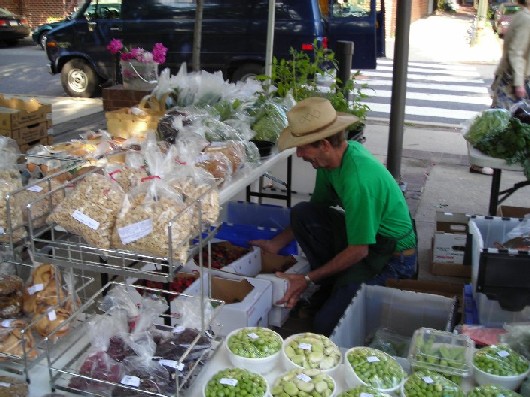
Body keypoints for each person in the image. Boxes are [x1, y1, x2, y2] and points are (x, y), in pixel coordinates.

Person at [250, 97, 417, 336]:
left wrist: (305, 278)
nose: (299, 154)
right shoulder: (330, 163)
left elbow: (360, 250)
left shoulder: (358, 180)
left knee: (324, 327)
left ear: (325, 145)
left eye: (304, 146)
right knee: (303, 214)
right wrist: (275, 243)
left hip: (392, 257)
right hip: (368, 241)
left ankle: (332, 286)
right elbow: (316, 210)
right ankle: (332, 285)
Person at [470, 0, 530, 175]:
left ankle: (493, 158)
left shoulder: (522, 16)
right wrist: (518, 83)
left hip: (515, 77)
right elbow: (516, 52)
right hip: (511, 80)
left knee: (505, 120)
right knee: (497, 119)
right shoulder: (525, 19)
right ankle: (479, 161)